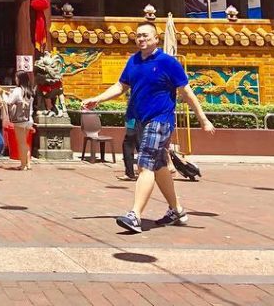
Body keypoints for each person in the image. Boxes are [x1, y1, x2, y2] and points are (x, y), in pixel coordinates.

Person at [83, 22, 214, 233]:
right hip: (141, 120)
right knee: (159, 166)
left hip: (160, 120)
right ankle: (177, 210)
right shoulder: (133, 61)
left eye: (145, 35)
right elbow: (120, 86)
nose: (141, 39)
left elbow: (186, 93)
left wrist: (203, 118)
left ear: (156, 38)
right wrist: (97, 99)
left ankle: (135, 215)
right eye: (138, 36)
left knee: (144, 165)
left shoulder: (168, 63)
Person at [4, 71, 35, 170]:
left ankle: (23, 164)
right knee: (26, 142)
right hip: (29, 118)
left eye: (16, 78)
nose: (15, 79)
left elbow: (9, 101)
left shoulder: (17, 90)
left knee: (21, 142)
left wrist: (4, 95)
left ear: (20, 79)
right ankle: (28, 163)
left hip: (20, 119)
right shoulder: (29, 91)